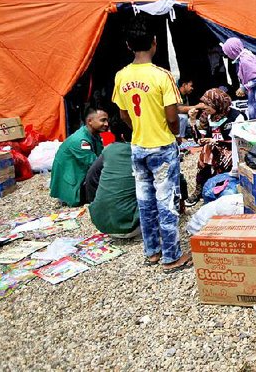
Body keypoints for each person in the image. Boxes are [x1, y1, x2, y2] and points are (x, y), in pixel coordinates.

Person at [112, 15, 192, 273]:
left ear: (127, 45)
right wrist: (176, 134)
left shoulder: (121, 76)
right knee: (165, 202)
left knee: (145, 201)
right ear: (155, 43)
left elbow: (123, 114)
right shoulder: (162, 76)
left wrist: (139, 128)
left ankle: (152, 252)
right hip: (162, 147)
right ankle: (172, 256)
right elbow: (172, 115)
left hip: (138, 147)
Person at [87, 121, 140, 239]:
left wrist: (93, 201)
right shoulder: (141, 150)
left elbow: (91, 175)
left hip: (102, 224)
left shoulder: (108, 150)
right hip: (132, 225)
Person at [186, 87, 237, 206]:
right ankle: (200, 188)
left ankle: (221, 184)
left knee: (212, 149)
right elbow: (200, 140)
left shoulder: (236, 116)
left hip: (232, 153)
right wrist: (193, 121)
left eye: (207, 104)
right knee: (206, 149)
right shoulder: (208, 116)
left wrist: (216, 141)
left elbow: (239, 141)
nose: (205, 107)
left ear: (217, 104)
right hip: (215, 151)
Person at [49, 107, 108, 207]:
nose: (106, 124)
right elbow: (95, 164)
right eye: (103, 120)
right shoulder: (80, 141)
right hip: (72, 184)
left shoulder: (94, 135)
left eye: (107, 120)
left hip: (78, 176)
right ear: (90, 121)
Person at [221, 37, 256, 120]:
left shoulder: (245, 60)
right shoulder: (244, 57)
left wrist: (244, 87)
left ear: (233, 51)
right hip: (255, 92)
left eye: (228, 53)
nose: (228, 55)